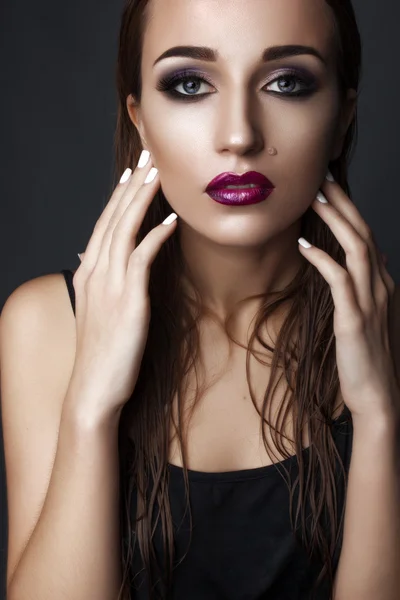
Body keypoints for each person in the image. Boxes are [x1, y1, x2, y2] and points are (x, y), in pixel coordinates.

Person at [2, 1, 400, 600]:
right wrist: (90, 405)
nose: (239, 134)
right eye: (190, 84)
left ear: (342, 115)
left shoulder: (388, 331)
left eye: (286, 83)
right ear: (139, 118)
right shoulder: (45, 325)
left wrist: (376, 417)